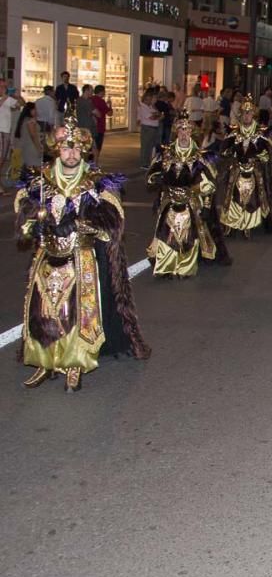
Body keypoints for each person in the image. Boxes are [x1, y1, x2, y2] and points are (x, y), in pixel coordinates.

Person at [14, 117, 151, 391]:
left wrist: (78, 223)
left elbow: (114, 219)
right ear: (57, 150)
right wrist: (34, 223)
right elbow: (24, 211)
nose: (72, 154)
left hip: (82, 258)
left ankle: (76, 361)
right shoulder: (42, 181)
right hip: (47, 259)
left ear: (85, 151)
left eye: (77, 149)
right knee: (44, 311)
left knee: (77, 312)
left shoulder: (96, 183)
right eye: (66, 148)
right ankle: (45, 361)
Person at [146, 110, 230, 277]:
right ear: (177, 132)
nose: (184, 134)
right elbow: (151, 174)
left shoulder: (199, 156)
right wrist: (157, 178)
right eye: (181, 130)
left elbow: (210, 183)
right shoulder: (166, 153)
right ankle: (165, 266)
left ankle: (185, 266)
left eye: (187, 130)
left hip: (190, 200)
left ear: (192, 132)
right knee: (166, 234)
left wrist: (205, 205)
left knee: (188, 235)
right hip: (169, 200)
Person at [219, 100, 272, 237]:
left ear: (253, 115)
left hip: (255, 169)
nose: (246, 116)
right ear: (241, 115)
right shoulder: (234, 132)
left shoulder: (261, 132)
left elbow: (271, 149)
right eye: (244, 113)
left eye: (249, 113)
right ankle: (233, 223)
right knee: (232, 196)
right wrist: (233, 152)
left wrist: (261, 156)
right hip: (237, 169)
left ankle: (257, 221)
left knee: (260, 195)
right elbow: (223, 150)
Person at [0, 78, 25, 194]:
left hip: (6, 131)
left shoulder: (8, 99)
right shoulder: (4, 98)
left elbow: (20, 105)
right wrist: (5, 97)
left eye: (5, 87)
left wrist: (18, 96)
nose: (4, 89)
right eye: (2, 86)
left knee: (3, 158)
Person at [14, 103, 44, 171]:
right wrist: (39, 148)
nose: (37, 111)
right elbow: (33, 136)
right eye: (35, 109)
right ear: (30, 110)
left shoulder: (24, 120)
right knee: (36, 169)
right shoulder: (30, 121)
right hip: (32, 148)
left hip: (27, 147)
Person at [138, 88, 162, 169]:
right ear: (145, 99)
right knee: (146, 146)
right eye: (148, 99)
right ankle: (143, 163)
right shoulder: (143, 107)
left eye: (150, 99)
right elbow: (152, 117)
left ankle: (148, 162)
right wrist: (157, 116)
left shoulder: (151, 106)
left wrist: (157, 115)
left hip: (153, 128)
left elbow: (158, 114)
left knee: (151, 146)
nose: (150, 101)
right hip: (147, 128)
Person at [91, 86, 112, 165]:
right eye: (104, 91)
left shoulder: (90, 99)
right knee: (97, 147)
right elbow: (110, 113)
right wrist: (110, 105)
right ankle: (95, 164)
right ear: (101, 92)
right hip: (99, 127)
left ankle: (90, 163)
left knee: (91, 147)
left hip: (91, 127)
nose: (104, 93)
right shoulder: (101, 101)